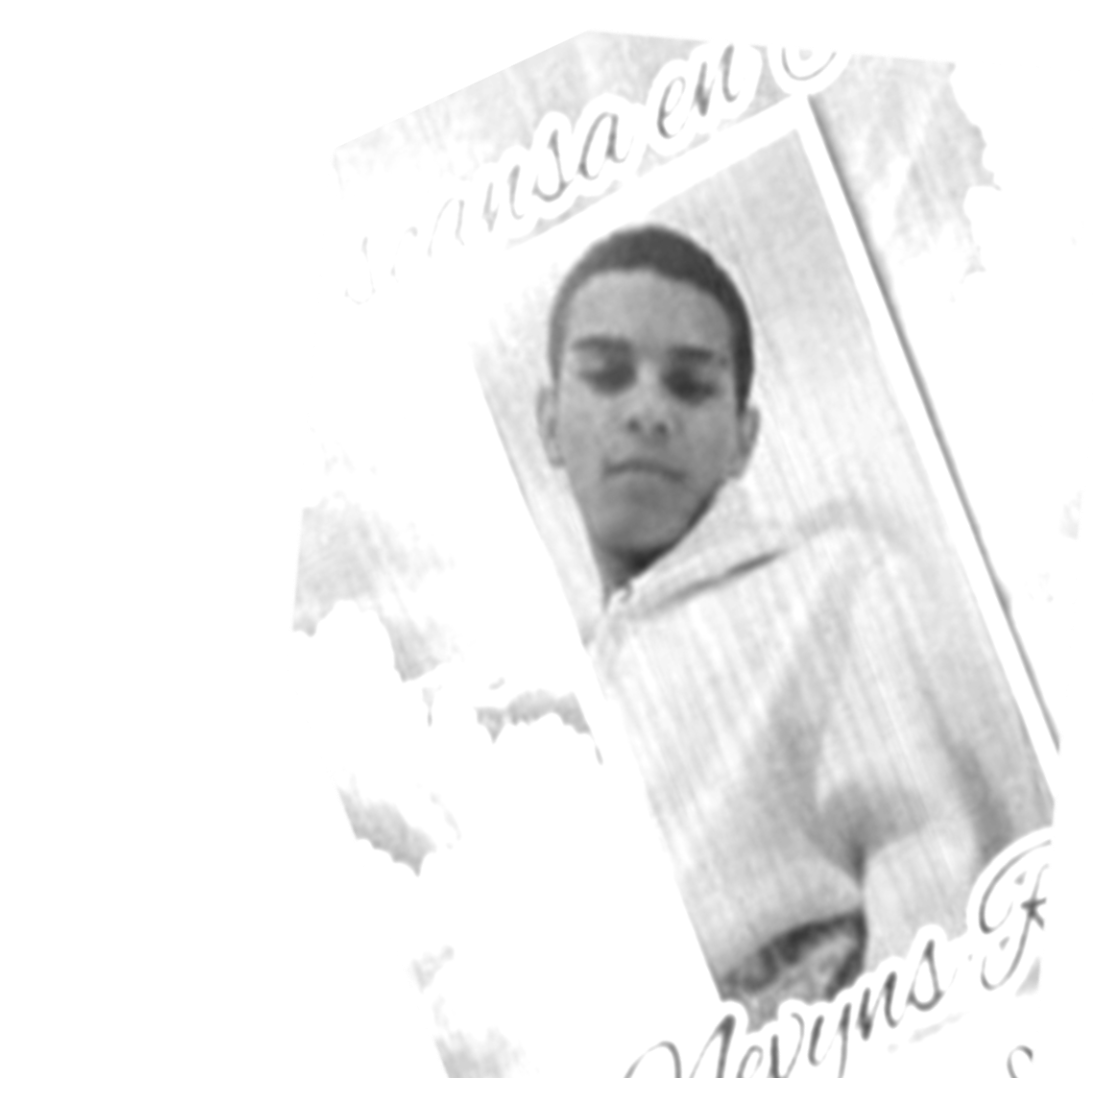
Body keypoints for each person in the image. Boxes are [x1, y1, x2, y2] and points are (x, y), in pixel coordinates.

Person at [535, 224, 1055, 1027]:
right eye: (607, 375)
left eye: (690, 386)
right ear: (548, 421)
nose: (647, 411)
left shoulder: (837, 581)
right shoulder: (544, 697)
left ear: (744, 439)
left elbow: (932, 873)